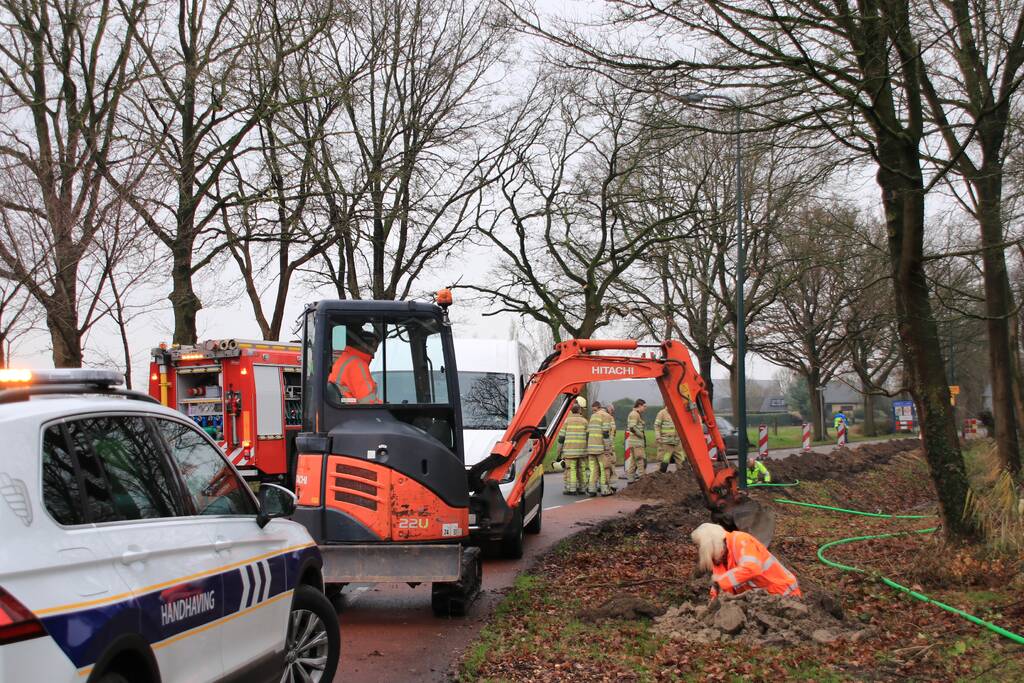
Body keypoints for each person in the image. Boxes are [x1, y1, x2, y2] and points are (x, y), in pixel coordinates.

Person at [690, 523, 801, 599]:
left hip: (784, 596)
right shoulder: (719, 560)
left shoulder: (741, 540)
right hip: (762, 602)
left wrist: (720, 582)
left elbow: (751, 568)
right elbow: (720, 588)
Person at [328, 324, 381, 404]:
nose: (373, 354)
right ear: (368, 345)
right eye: (374, 349)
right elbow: (369, 402)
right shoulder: (357, 365)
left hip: (343, 410)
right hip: (349, 413)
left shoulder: (345, 359)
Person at [556, 402, 589, 495]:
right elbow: (588, 436)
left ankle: (572, 489)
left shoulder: (566, 422)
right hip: (582, 451)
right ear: (579, 410)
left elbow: (561, 438)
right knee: (581, 469)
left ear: (571, 411)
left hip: (570, 451)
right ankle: (582, 488)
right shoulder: (585, 421)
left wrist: (558, 452)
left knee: (571, 469)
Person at [586, 402, 613, 496]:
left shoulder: (593, 416)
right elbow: (605, 433)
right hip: (600, 448)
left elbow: (588, 433)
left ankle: (592, 489)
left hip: (591, 448)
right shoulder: (606, 416)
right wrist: (607, 448)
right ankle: (605, 490)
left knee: (593, 469)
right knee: (603, 468)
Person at [654, 407, 683, 473]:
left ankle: (683, 480)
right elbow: (657, 426)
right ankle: (659, 479)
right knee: (664, 462)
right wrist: (658, 437)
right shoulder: (662, 413)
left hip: (677, 443)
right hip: (666, 443)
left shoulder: (678, 412)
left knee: (682, 462)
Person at [625, 399, 648, 483]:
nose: (645, 408)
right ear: (639, 405)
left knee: (633, 462)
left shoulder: (636, 414)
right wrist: (641, 435)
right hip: (636, 443)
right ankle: (643, 479)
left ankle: (630, 480)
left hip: (635, 443)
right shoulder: (634, 414)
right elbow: (632, 427)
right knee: (640, 460)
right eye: (644, 406)